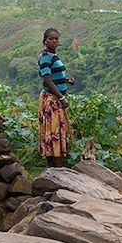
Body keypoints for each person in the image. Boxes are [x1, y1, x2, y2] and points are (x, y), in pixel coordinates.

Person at [37, 28, 75, 167]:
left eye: (56, 39)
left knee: (55, 133)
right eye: (51, 39)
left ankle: (54, 170)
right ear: (44, 40)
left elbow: (53, 76)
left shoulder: (53, 55)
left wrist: (65, 80)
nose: (54, 41)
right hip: (51, 100)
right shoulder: (46, 56)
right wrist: (61, 98)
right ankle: (56, 170)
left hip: (55, 98)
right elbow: (47, 79)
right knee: (54, 134)